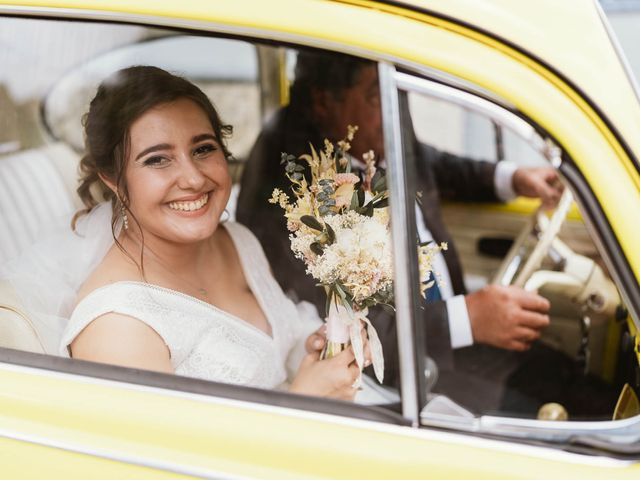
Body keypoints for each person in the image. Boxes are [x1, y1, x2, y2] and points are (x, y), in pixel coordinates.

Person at [236, 51, 567, 412]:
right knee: (563, 418)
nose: (396, 110)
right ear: (323, 102)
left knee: (579, 381)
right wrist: (467, 319)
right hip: (412, 367)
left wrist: (512, 178)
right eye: (376, 96)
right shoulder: (299, 197)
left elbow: (431, 163)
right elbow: (356, 330)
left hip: (456, 333)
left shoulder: (383, 133)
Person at [52, 65, 371, 401]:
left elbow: (276, 354)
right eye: (158, 159)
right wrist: (307, 401)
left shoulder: (237, 240)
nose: (193, 178)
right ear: (113, 179)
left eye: (203, 149)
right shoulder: (116, 327)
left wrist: (320, 351)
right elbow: (167, 453)